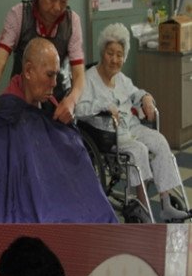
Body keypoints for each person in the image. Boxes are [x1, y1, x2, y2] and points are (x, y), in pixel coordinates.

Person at [0, 38, 116, 223]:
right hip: (29, 204)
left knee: (95, 210)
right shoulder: (5, 117)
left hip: (52, 194)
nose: (54, 83)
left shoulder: (50, 108)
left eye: (56, 75)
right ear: (28, 71)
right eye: (49, 75)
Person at [76, 23, 188, 222]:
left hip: (132, 127)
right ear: (102, 53)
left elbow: (135, 93)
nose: (115, 59)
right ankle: (143, 204)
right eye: (110, 53)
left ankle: (166, 203)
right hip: (110, 135)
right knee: (139, 151)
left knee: (160, 142)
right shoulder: (88, 79)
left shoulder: (121, 78)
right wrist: (103, 105)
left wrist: (146, 98)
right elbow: (79, 109)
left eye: (119, 55)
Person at [0, 0, 84, 124]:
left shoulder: (73, 22)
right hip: (21, 106)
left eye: (64, 1)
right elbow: (0, 58)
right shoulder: (19, 15)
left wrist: (72, 100)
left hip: (58, 106)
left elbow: (79, 73)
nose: (57, 7)